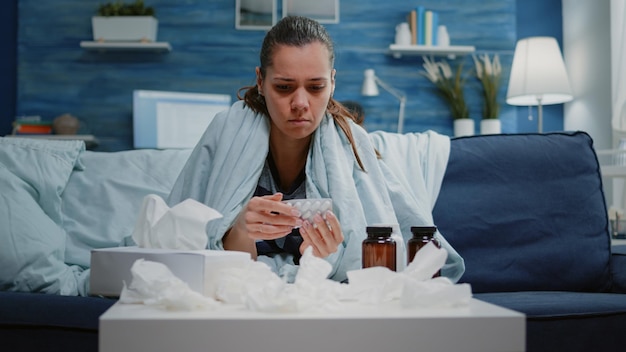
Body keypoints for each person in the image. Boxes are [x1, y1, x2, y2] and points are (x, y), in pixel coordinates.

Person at [167, 16, 464, 283]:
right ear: (260, 80)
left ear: (332, 83)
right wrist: (240, 230)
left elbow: (377, 261)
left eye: (315, 87)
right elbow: (187, 244)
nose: (300, 103)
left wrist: (322, 260)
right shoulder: (228, 130)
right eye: (284, 87)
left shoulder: (351, 142)